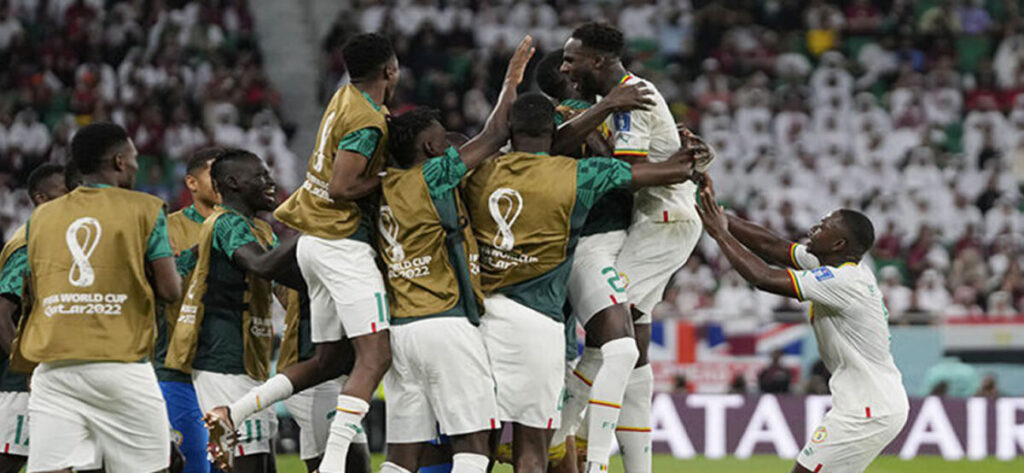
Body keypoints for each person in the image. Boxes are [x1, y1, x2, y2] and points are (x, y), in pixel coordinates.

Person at [461, 92, 696, 473]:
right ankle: (593, 459)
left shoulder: (479, 172)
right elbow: (668, 172)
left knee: (475, 450)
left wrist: (506, 96)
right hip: (539, 322)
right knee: (533, 452)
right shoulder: (577, 175)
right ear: (555, 131)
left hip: (481, 318)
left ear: (510, 129)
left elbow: (437, 175)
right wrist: (683, 151)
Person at [205, 33, 400, 473]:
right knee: (376, 356)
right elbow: (342, 186)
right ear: (390, 70)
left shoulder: (343, 98)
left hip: (313, 241)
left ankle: (232, 413)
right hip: (341, 244)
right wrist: (393, 178)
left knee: (328, 361)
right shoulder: (367, 119)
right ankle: (333, 464)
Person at [372, 36, 534, 473]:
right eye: (444, 140)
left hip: (401, 331)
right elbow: (496, 134)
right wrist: (511, 80)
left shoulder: (381, 186)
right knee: (474, 443)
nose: (452, 147)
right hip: (445, 323)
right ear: (429, 150)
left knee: (403, 454)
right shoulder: (432, 175)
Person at [560, 23, 714, 473]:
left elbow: (626, 174)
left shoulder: (631, 98)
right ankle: (590, 446)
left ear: (597, 61)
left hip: (661, 222)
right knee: (629, 351)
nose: (566, 68)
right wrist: (684, 156)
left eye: (571, 59)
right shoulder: (621, 97)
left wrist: (677, 165)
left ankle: (578, 447)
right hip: (662, 222)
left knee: (609, 339)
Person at [695, 176, 908, 473]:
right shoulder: (834, 265)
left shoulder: (844, 281)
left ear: (839, 244)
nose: (813, 229)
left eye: (823, 226)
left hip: (868, 410)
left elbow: (763, 277)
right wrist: (719, 216)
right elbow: (773, 246)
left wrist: (720, 234)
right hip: (872, 404)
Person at [15, 122, 181, 472]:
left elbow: (37, 287)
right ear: (119, 161)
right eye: (134, 157)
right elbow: (170, 290)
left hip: (53, 365)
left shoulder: (40, 218)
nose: (136, 165)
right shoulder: (146, 208)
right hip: (118, 363)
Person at [165, 149, 303, 473]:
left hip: (249, 359)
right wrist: (310, 234)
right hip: (222, 361)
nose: (271, 182)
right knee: (242, 461)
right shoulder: (225, 223)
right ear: (232, 183)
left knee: (263, 460)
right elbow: (261, 264)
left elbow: (283, 284)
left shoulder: (258, 229)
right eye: (261, 176)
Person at [156, 148, 224, 473]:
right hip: (180, 366)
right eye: (215, 174)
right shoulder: (166, 229)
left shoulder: (253, 228)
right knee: (194, 463)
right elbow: (165, 289)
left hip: (234, 366)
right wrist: (203, 246)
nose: (224, 181)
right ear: (192, 183)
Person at [0, 163, 68, 473]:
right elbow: (2, 314)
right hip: (22, 382)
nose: (73, 198)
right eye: (64, 191)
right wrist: (27, 366)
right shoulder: (29, 243)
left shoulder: (59, 238)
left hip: (55, 371)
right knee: (10, 460)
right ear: (41, 197)